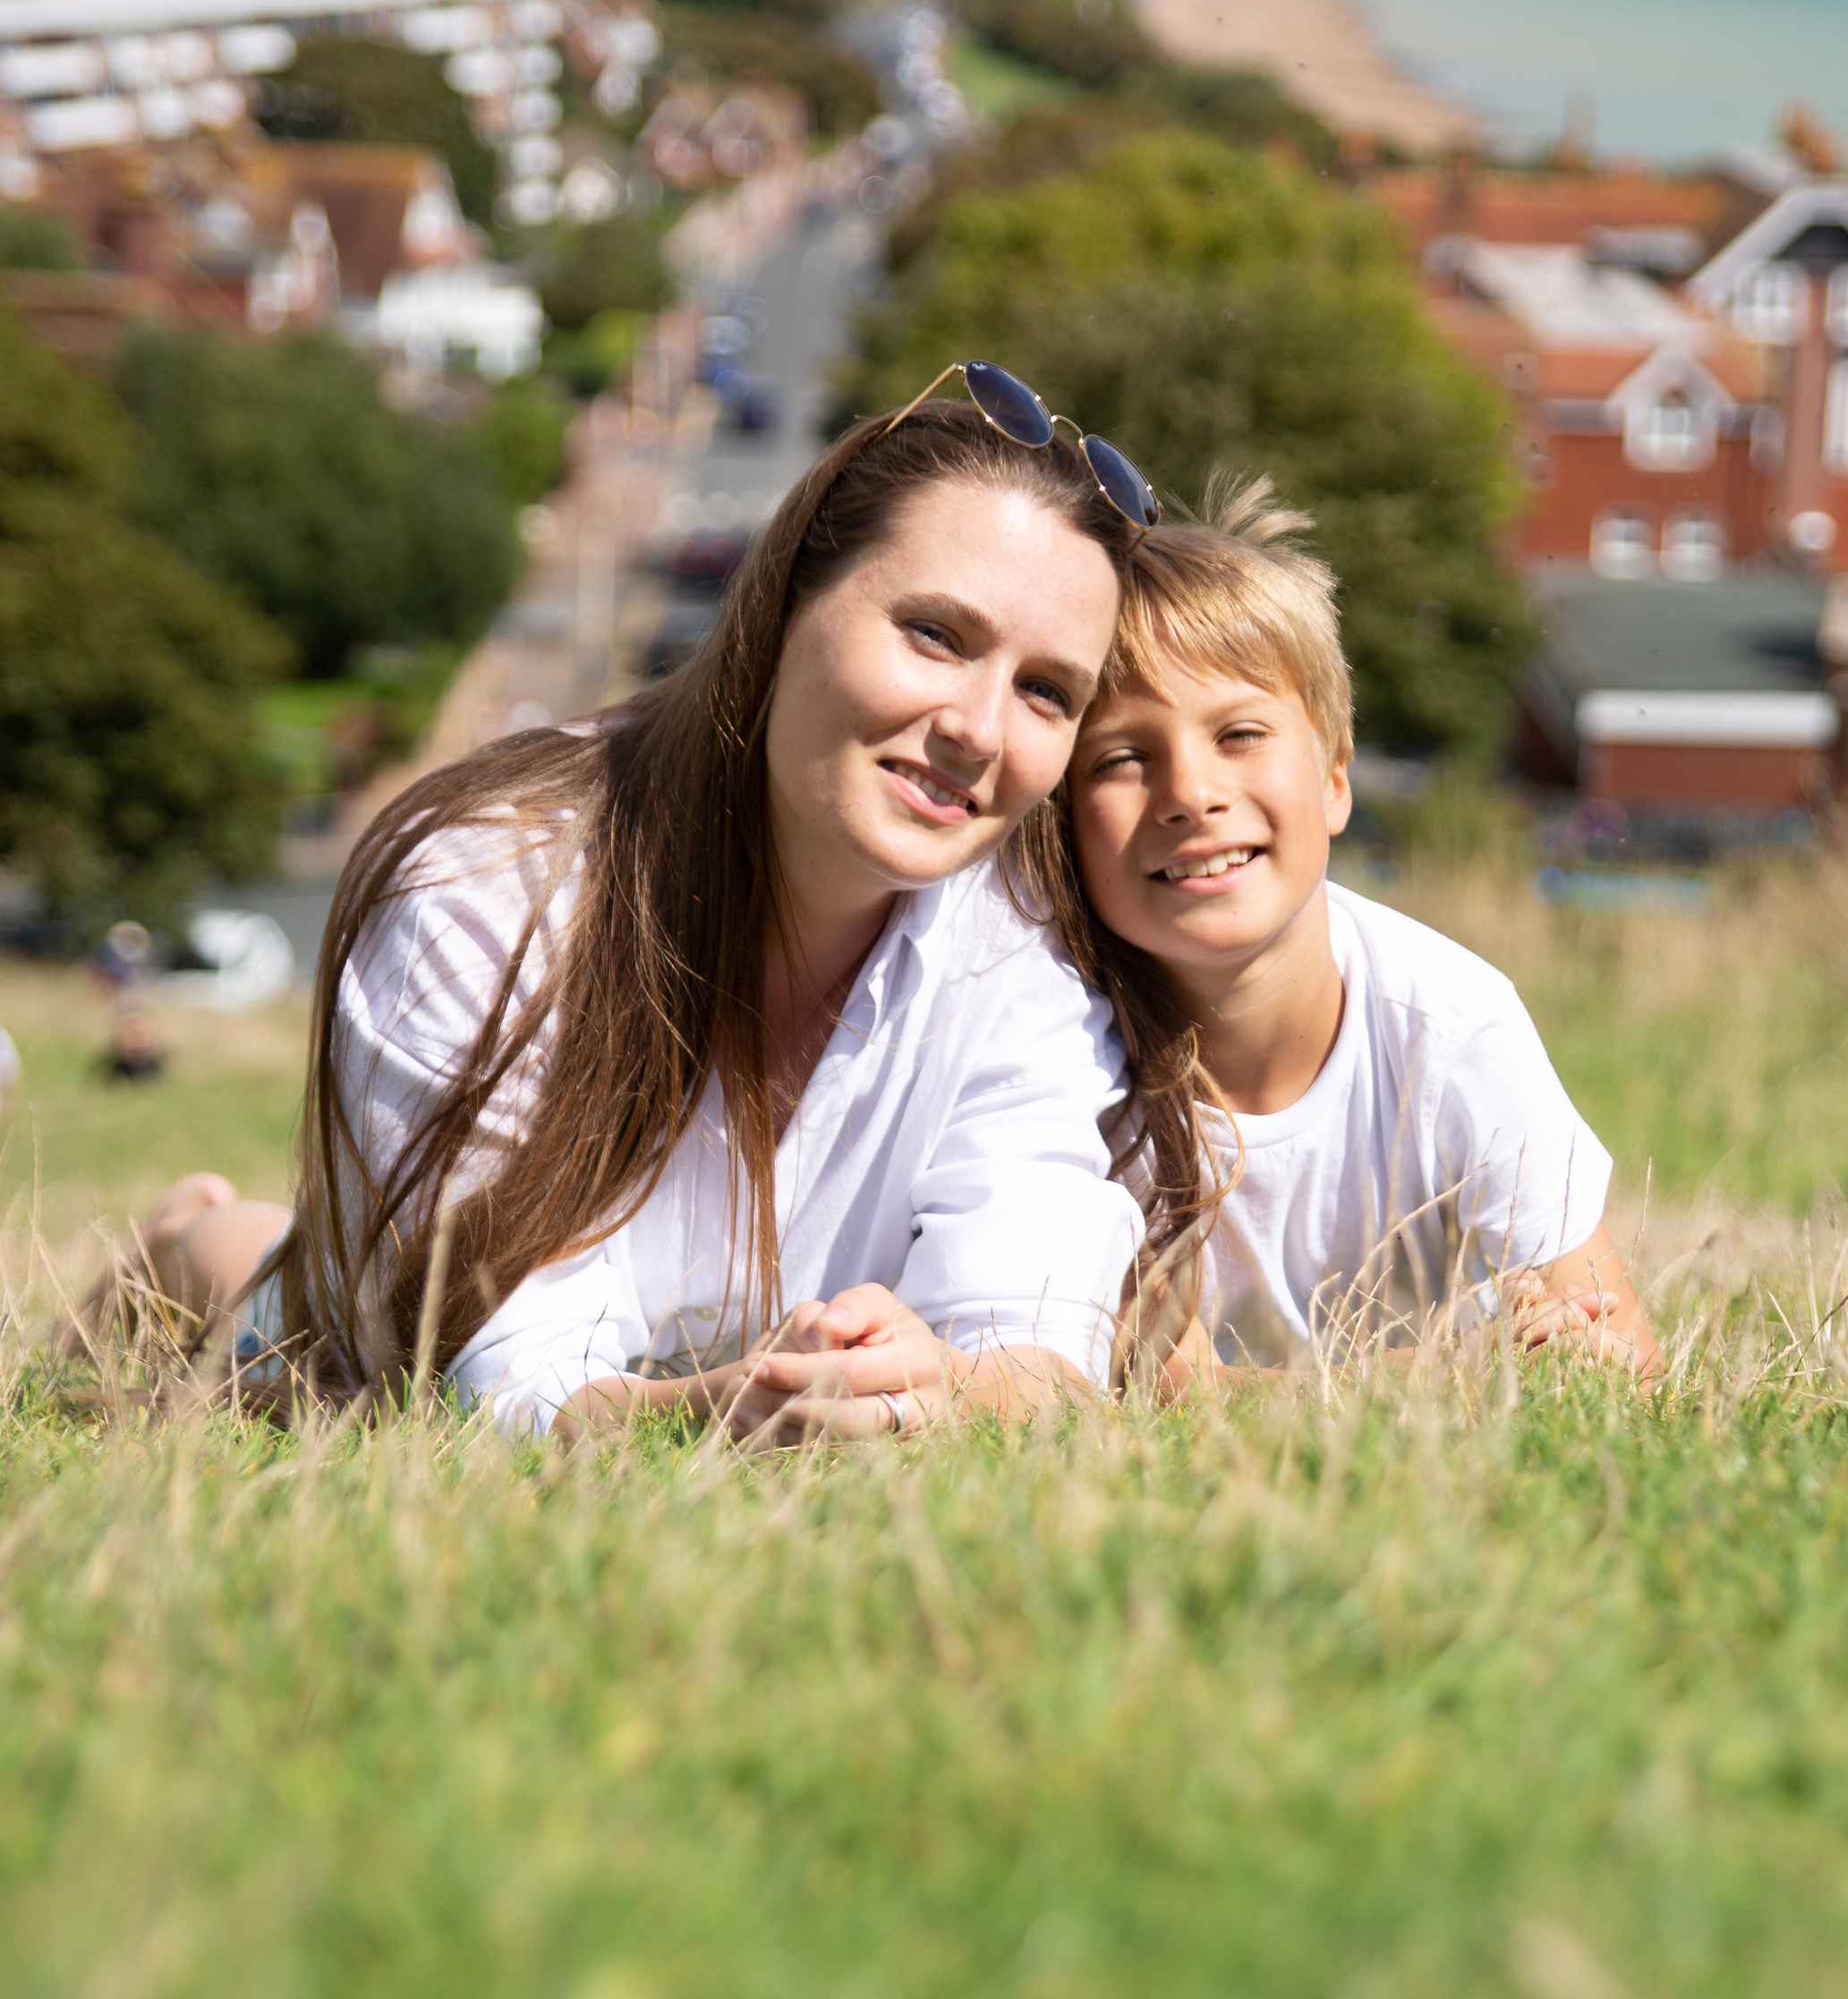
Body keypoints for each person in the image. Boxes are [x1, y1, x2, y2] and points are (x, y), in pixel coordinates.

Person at [101, 379, 1165, 1443]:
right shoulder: (487, 884)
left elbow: (1036, 1337)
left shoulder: (1027, 954)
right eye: (934, 634)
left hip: (691, 1340)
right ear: (783, 598)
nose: (980, 729)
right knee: (275, 1299)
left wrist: (943, 1391)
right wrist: (718, 1412)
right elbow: (481, 1370)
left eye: (1046, 693)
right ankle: (172, 1250)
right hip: (367, 1312)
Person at [1018, 476, 1662, 1390]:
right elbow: (1154, 1384)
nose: (1191, 794)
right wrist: (1443, 1379)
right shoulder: (1050, 1046)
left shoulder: (1450, 1025)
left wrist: (1569, 1357)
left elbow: (1619, 1353)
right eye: (1122, 758)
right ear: (1062, 819)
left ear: (1333, 780)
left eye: (1239, 734)